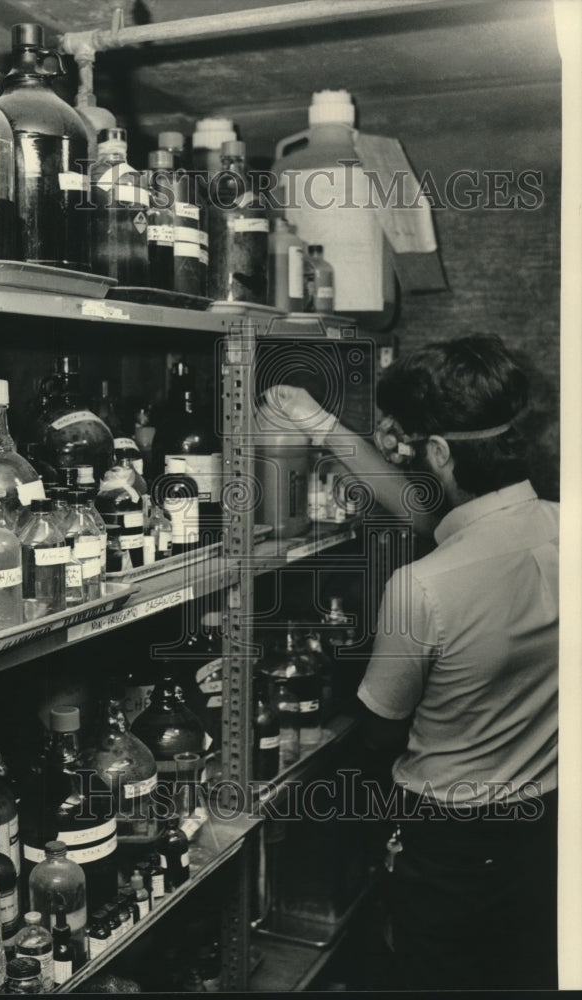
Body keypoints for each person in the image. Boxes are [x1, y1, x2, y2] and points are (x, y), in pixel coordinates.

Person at [262, 335, 558, 990]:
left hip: (449, 848)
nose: (394, 447)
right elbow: (430, 513)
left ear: (443, 452)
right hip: (548, 828)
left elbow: (379, 731)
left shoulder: (423, 585)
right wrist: (320, 424)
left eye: (404, 440)